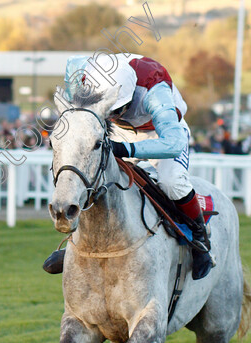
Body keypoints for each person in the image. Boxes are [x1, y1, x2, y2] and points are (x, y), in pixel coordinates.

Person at [43, 53, 214, 280]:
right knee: (93, 175)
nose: (112, 117)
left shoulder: (155, 89)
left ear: (129, 97)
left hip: (160, 132)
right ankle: (76, 246)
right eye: (109, 112)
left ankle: (200, 240)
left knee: (171, 182)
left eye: (116, 111)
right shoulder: (80, 73)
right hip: (115, 132)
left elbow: (173, 144)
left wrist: (125, 151)